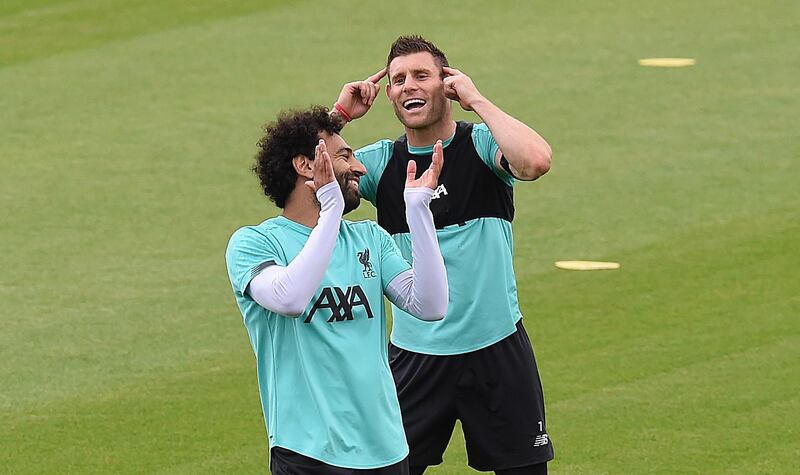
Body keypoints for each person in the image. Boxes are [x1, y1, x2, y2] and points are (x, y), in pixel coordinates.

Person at [330, 36, 554, 475]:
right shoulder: (378, 164)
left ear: (446, 84)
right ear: (388, 94)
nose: (409, 86)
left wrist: (477, 100)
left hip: (497, 348)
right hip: (416, 357)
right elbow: (300, 176)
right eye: (398, 80)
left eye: (421, 76)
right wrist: (336, 118)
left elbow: (535, 161)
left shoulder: (484, 147)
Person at [225, 106, 449, 474]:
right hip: (309, 452)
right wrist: (329, 210)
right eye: (345, 156)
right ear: (306, 166)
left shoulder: (370, 238)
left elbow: (431, 305)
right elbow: (289, 297)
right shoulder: (254, 243)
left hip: (388, 450)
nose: (360, 167)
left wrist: (419, 212)